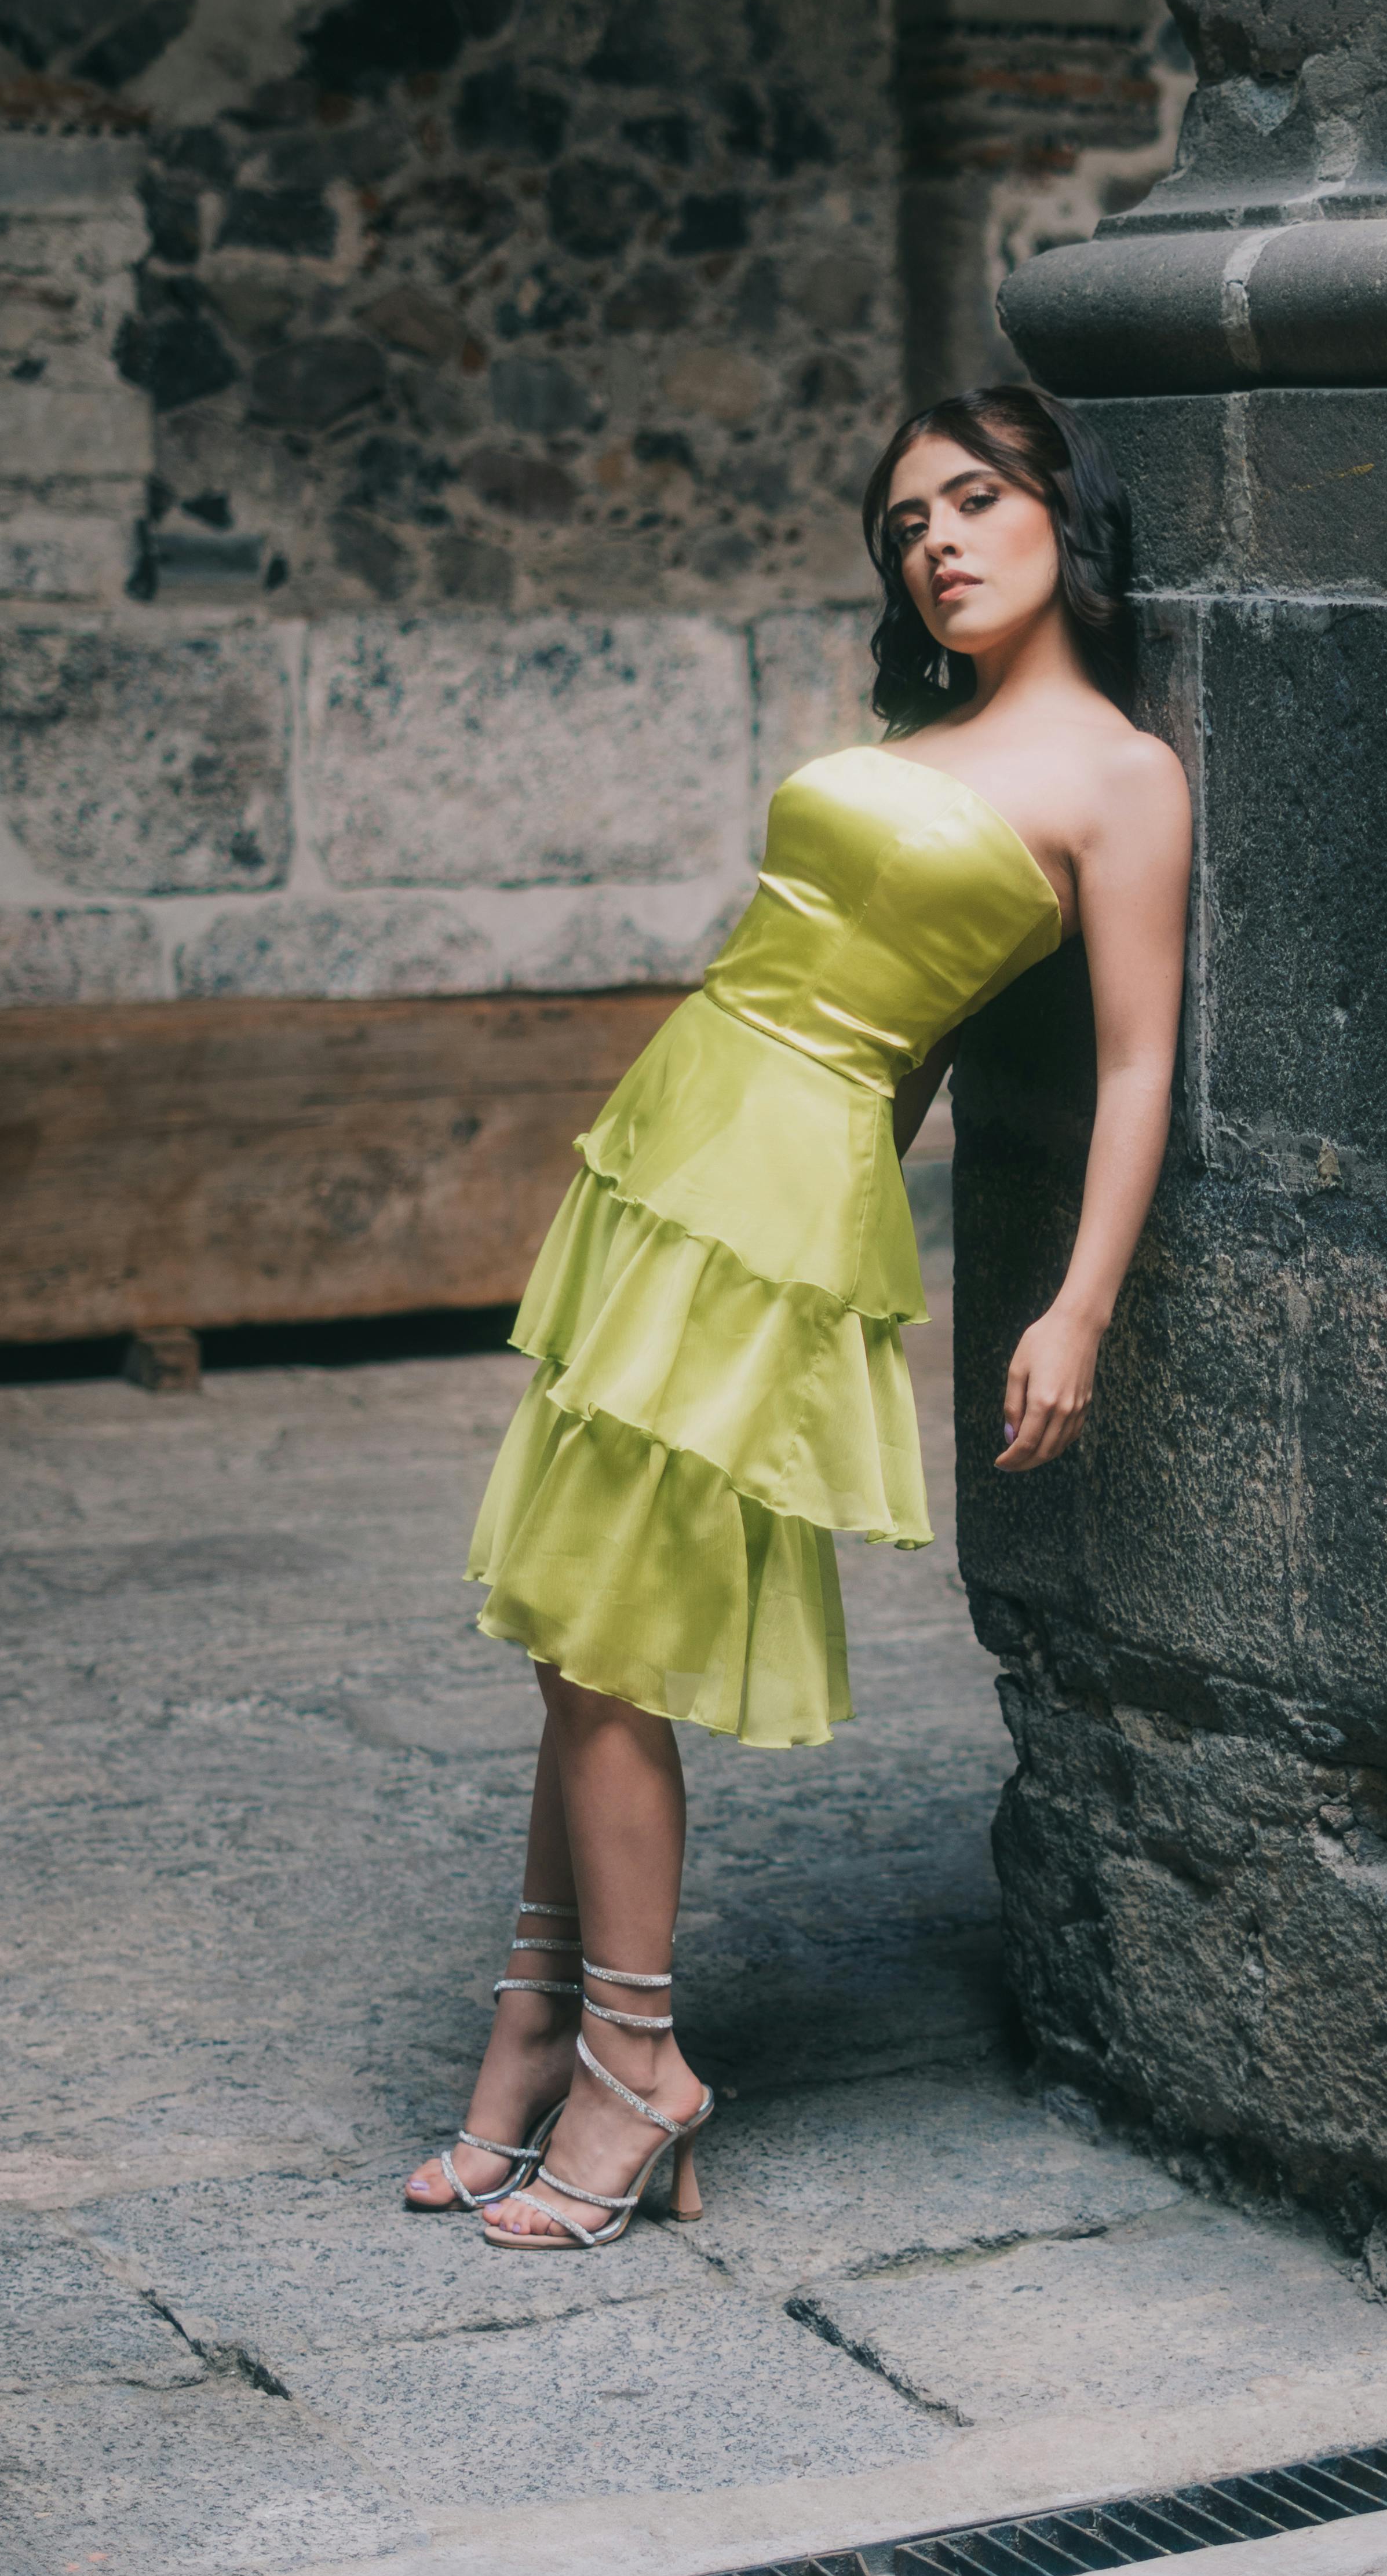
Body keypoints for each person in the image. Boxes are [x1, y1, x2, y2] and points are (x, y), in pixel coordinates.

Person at [406, 386, 1192, 2246]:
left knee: (611, 1637)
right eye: (906, 520)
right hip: (673, 1143)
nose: (938, 540)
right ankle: (538, 2032)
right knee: (576, 1619)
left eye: (977, 498)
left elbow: (1139, 1061)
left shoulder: (1120, 777)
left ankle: (632, 2066)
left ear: (1062, 515)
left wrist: (1078, 1304)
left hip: (780, 1190)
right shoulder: (920, 731)